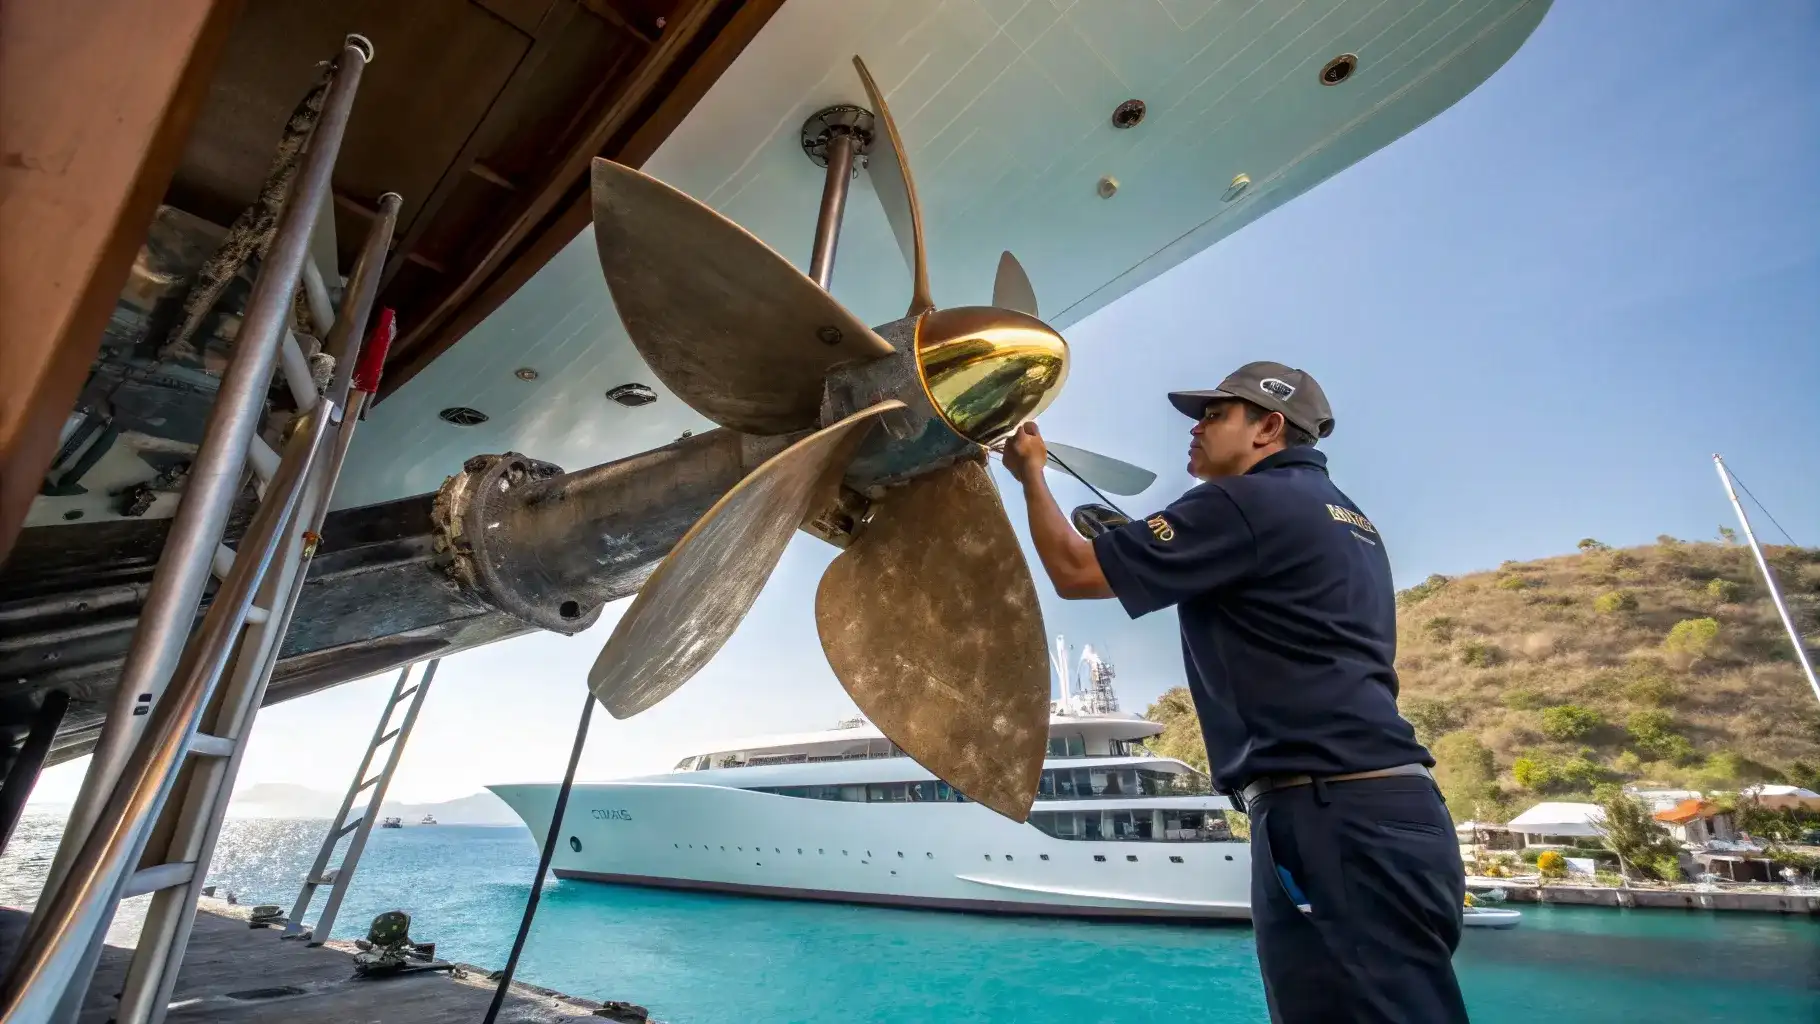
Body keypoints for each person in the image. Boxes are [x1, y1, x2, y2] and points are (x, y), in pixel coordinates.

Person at [1000, 360, 1468, 1024]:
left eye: (1215, 414)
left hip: (1330, 816)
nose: (1195, 428)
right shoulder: (1351, 523)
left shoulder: (1243, 502)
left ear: (1268, 428)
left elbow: (1076, 572)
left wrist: (1031, 475)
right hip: (1400, 810)